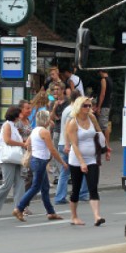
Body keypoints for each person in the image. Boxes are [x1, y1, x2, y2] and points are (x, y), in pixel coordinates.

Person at [12, 110, 68, 222]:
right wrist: (62, 162)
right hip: (41, 161)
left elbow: (27, 143)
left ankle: (51, 212)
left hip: (35, 160)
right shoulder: (44, 132)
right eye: (49, 118)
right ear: (46, 119)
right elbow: (52, 149)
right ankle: (19, 208)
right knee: (36, 187)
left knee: (45, 187)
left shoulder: (35, 130)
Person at [66, 97, 105, 226]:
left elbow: (99, 133)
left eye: (89, 106)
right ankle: (74, 216)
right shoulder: (73, 123)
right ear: (78, 106)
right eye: (85, 106)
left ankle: (97, 216)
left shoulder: (91, 118)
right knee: (76, 189)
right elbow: (74, 145)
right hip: (77, 160)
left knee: (93, 187)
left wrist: (105, 147)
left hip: (92, 158)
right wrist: (82, 162)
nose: (88, 108)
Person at [0, 106, 26, 217]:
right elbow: (7, 140)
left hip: (15, 157)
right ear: (16, 115)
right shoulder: (7, 125)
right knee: (7, 183)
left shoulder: (13, 126)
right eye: (20, 113)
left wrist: (23, 142)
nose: (22, 115)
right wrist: (22, 144)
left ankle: (19, 207)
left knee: (20, 181)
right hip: (7, 157)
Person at [54, 90, 90, 204]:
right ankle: (82, 193)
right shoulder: (73, 111)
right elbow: (69, 129)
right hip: (69, 145)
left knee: (65, 173)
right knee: (84, 168)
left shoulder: (66, 109)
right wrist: (68, 144)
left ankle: (60, 197)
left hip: (63, 143)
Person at [48, 82, 68, 182]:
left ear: (62, 90)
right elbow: (51, 118)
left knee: (66, 151)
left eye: (58, 89)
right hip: (57, 129)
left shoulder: (67, 101)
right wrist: (55, 107)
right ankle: (57, 175)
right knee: (55, 151)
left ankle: (67, 174)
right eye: (54, 90)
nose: (55, 91)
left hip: (66, 130)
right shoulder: (52, 102)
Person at [96, 69, 114, 146]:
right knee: (104, 124)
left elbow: (102, 94)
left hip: (104, 105)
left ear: (101, 71)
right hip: (108, 104)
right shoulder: (110, 80)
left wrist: (99, 106)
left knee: (103, 125)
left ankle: (107, 144)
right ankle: (105, 143)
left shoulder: (103, 80)